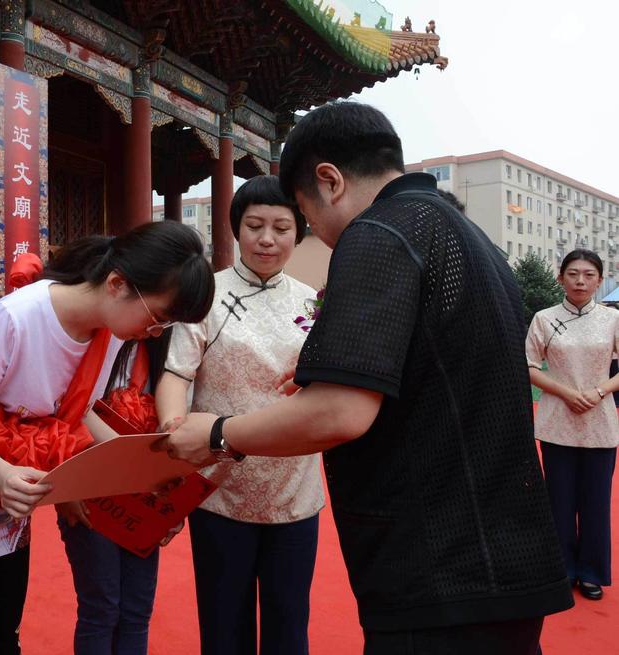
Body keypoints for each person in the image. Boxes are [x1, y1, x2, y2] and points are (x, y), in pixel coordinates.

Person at [162, 101, 574, 655]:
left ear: (329, 181)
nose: (312, 234)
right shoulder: (471, 237)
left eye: (301, 216)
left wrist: (217, 433)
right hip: (504, 559)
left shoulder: (378, 233)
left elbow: (341, 411)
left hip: (435, 567)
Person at [0, 221, 214, 655]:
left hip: (15, 499)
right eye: (158, 319)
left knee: (3, 629)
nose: (155, 334)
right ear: (117, 284)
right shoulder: (18, 317)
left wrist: (146, 474)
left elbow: (79, 412)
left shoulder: (107, 333)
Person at [155, 175, 323, 655]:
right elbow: (176, 374)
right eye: (254, 226)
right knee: (223, 628)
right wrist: (172, 438)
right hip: (218, 491)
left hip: (294, 489)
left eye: (281, 228)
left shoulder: (314, 303)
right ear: (234, 229)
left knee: (289, 627)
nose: (267, 239)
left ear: (298, 233)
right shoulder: (205, 295)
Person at [526, 249, 618, 601]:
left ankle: (592, 572)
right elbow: (529, 365)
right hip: (556, 421)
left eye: (589, 275)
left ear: (599, 280)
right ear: (560, 277)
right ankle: (561, 569)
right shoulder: (544, 319)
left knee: (596, 502)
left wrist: (599, 391)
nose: (581, 281)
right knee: (559, 500)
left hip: (600, 420)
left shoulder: (612, 319)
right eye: (573, 274)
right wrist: (565, 392)